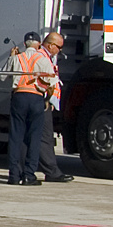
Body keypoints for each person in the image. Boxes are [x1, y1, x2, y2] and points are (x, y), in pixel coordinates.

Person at [7, 32, 58, 185]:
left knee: (16, 137)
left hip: (19, 97)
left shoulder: (17, 58)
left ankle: (14, 176)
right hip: (36, 98)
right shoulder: (42, 59)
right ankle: (29, 175)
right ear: (39, 44)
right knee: (34, 138)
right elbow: (52, 82)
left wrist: (11, 57)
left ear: (24, 44)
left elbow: (3, 76)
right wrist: (47, 99)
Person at [37, 32, 76, 183]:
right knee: (45, 137)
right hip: (41, 101)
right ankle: (51, 171)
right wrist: (48, 98)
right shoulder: (41, 57)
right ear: (51, 45)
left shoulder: (44, 57)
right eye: (59, 47)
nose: (60, 51)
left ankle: (25, 170)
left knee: (36, 136)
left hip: (41, 101)